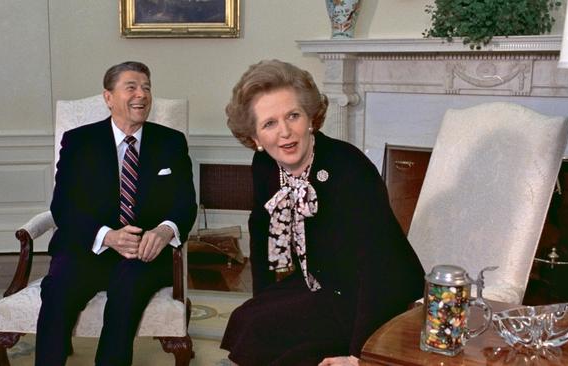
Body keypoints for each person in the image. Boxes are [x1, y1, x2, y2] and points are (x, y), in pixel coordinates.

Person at [220, 59, 426, 366]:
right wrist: (264, 300)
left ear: (311, 119)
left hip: (376, 292)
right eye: (269, 123)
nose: (285, 132)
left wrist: (358, 354)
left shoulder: (348, 167)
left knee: (280, 342)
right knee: (249, 319)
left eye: (293, 115)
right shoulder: (265, 166)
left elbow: (378, 265)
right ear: (254, 138)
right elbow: (262, 232)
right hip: (322, 281)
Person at [35, 61, 197, 366]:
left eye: (147, 87)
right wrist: (107, 236)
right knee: (58, 289)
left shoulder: (171, 142)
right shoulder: (79, 141)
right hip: (89, 247)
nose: (142, 94)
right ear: (108, 97)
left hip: (145, 253)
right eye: (131, 87)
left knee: (128, 288)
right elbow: (63, 206)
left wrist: (164, 230)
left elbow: (185, 204)